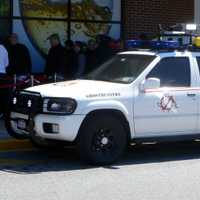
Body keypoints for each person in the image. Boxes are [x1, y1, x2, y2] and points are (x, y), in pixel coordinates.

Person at [0, 38, 10, 116]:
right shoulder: (4, 49)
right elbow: (7, 64)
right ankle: (3, 112)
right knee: (3, 94)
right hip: (2, 74)